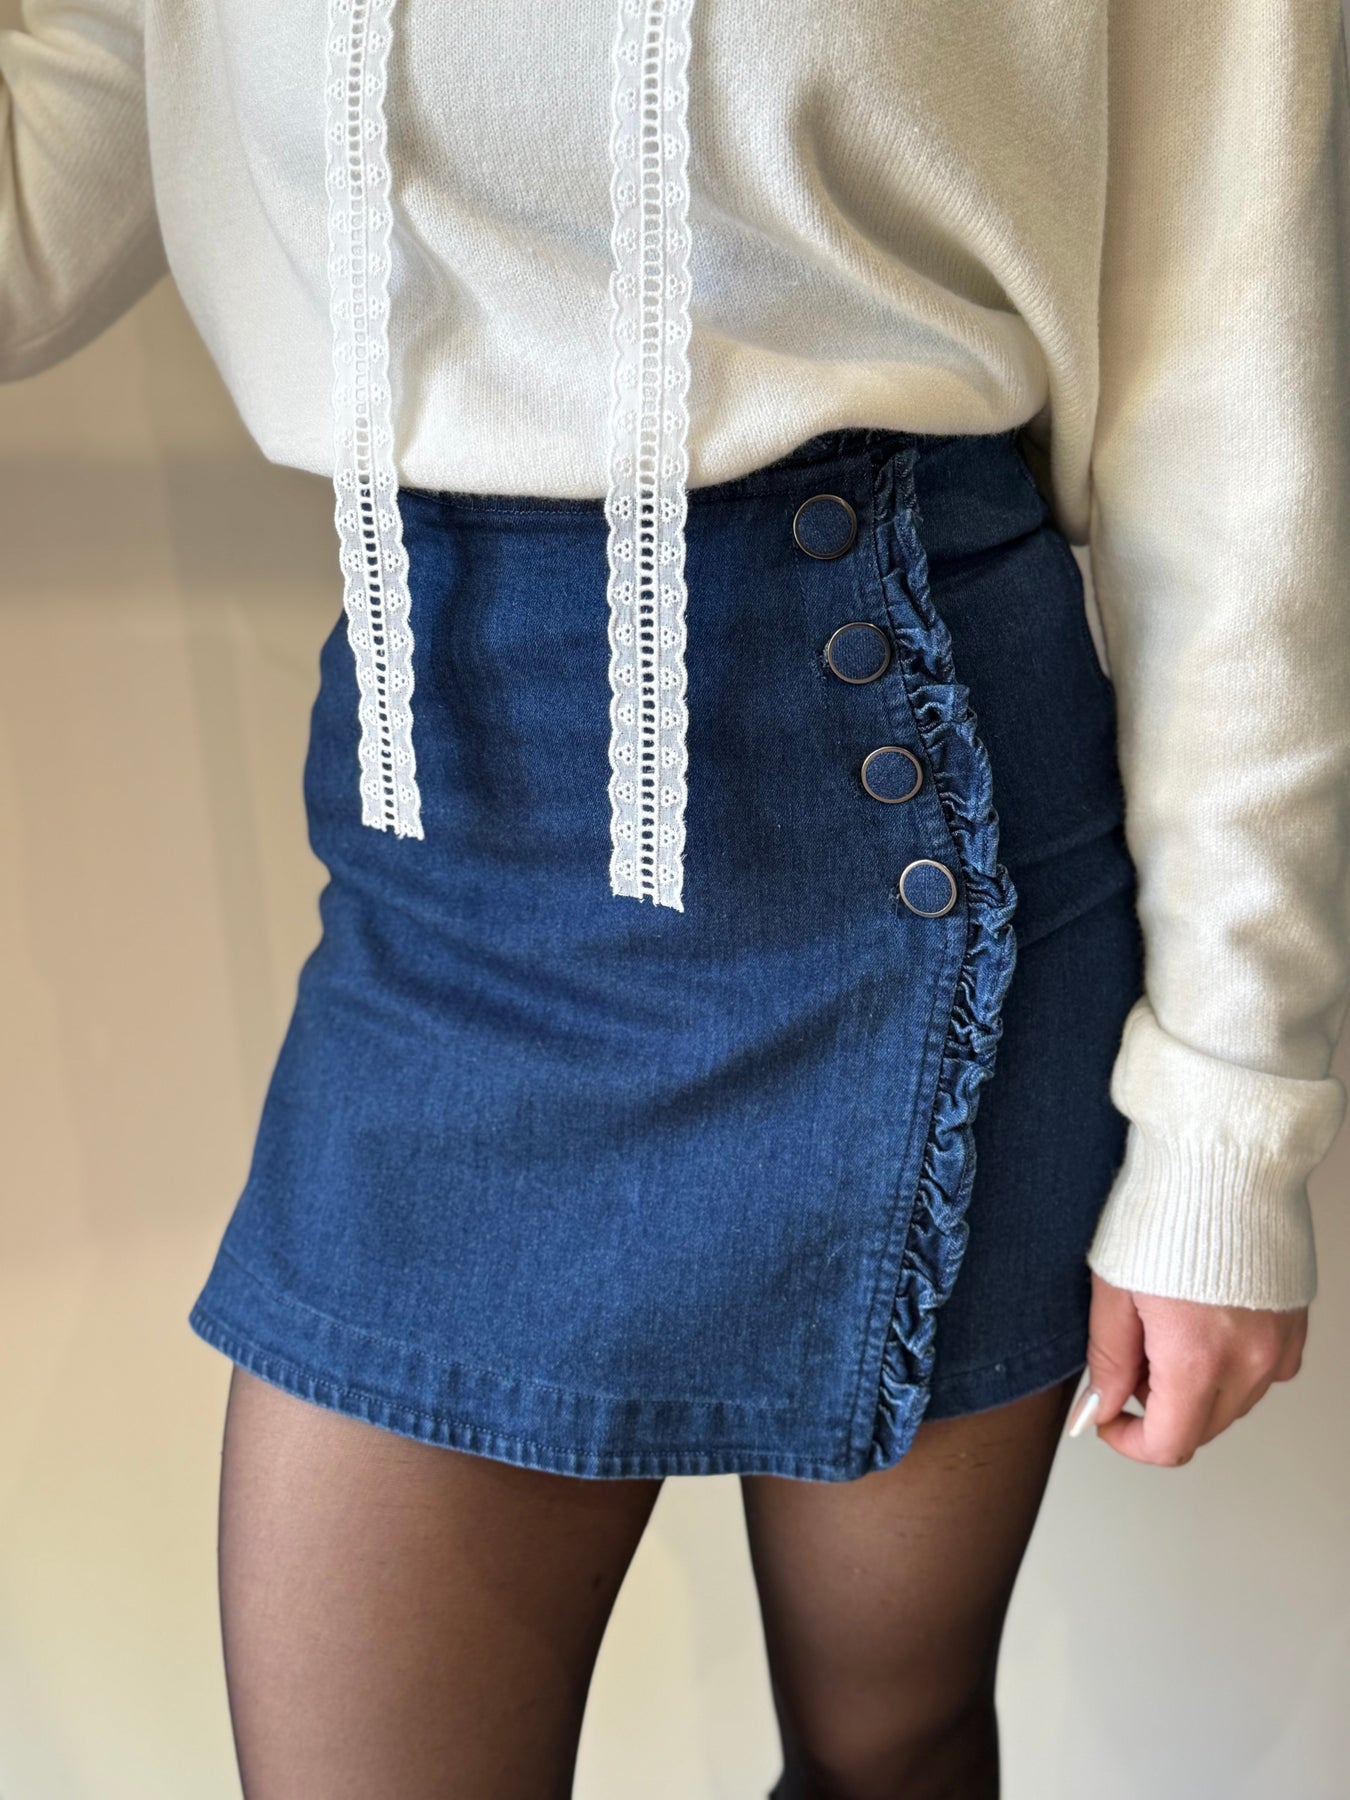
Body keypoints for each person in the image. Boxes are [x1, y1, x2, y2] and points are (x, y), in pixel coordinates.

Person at [4, 2, 1348, 1795]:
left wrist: (1232, 1119)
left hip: (899, 820)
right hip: (447, 882)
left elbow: (1232, 391)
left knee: (889, 1754)